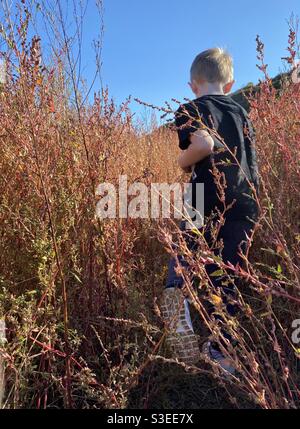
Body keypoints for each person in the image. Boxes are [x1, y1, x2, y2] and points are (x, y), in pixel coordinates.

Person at [160, 48, 259, 373]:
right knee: (226, 275)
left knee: (184, 250)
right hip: (244, 200)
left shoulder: (191, 108)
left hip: (204, 196)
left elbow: (203, 145)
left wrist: (181, 161)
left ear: (193, 85)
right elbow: (252, 164)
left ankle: (177, 301)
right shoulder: (242, 112)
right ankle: (222, 353)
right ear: (230, 84)